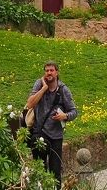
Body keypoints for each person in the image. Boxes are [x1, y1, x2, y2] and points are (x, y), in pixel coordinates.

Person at [24, 61, 77, 189]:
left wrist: (65, 116)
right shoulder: (39, 84)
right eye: (47, 70)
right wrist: (43, 89)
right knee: (39, 170)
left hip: (56, 137)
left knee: (55, 172)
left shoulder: (63, 90)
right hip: (39, 134)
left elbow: (74, 112)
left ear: (56, 72)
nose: (49, 73)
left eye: (51, 70)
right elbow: (30, 104)